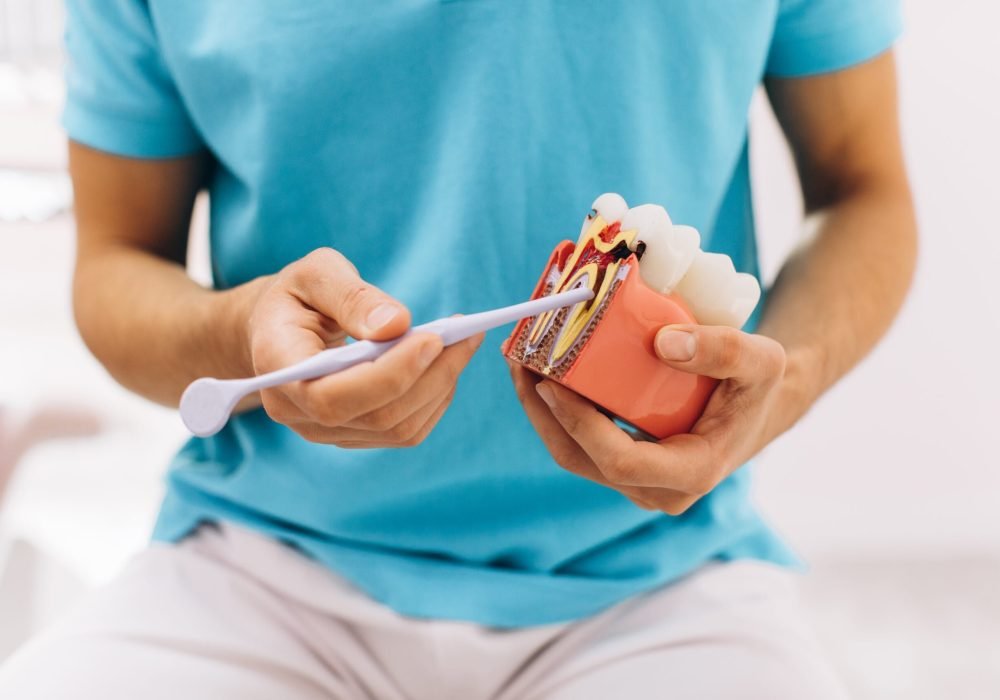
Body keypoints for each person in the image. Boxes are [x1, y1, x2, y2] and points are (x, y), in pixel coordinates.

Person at [0, 1, 916, 698]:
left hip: (659, 577)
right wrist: (242, 334)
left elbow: (864, 189)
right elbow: (115, 264)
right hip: (262, 566)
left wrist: (774, 391)